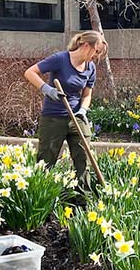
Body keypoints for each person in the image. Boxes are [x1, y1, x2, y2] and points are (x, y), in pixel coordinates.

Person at [24, 31, 107, 191]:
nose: (96, 57)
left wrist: (83, 110)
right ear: (85, 45)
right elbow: (30, 72)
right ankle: (41, 201)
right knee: (46, 161)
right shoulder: (60, 59)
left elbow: (87, 94)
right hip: (53, 118)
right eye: (96, 51)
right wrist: (48, 90)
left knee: (84, 158)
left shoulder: (90, 68)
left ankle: (82, 204)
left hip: (76, 118)